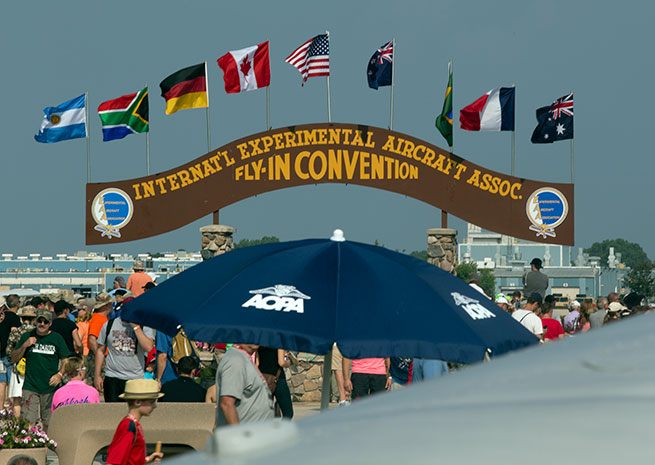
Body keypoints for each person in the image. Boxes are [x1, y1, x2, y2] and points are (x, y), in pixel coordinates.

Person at [11, 308, 70, 430]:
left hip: (49, 386)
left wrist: (59, 374)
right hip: (30, 385)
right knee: (28, 421)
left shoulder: (57, 338)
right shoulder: (28, 336)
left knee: (48, 422)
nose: (42, 324)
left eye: (45, 322)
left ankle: (46, 446)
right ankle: (28, 444)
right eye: (40, 321)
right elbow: (14, 358)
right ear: (35, 321)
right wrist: (25, 345)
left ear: (50, 324)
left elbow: (66, 360)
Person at [94, 312, 155, 402]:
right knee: (113, 412)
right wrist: (97, 375)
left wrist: (136, 327)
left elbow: (148, 347)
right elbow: (100, 350)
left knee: (134, 412)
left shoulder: (144, 325)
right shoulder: (109, 324)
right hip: (112, 377)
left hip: (135, 378)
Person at [106, 378, 164, 465]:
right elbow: (114, 461)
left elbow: (131, 458)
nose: (154, 406)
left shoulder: (132, 424)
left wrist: (148, 459)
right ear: (137, 402)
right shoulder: (129, 427)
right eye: (151, 402)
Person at [215, 343, 274, 426]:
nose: (256, 338)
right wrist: (239, 436)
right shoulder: (235, 360)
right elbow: (227, 404)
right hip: (245, 435)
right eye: (251, 333)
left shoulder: (241, 357)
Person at [6, 306, 37, 417]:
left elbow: (9, 352)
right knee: (33, 398)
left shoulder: (16, 332)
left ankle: (16, 426)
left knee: (17, 399)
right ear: (34, 319)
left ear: (22, 318)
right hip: (33, 367)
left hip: (18, 368)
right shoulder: (36, 332)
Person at [257, 346, 293, 418]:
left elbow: (257, 364)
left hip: (263, 378)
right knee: (288, 413)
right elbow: (281, 362)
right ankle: (281, 429)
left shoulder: (259, 341)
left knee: (265, 414)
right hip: (278, 378)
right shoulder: (278, 340)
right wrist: (288, 362)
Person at [0, 294, 21, 409]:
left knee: (1, 383)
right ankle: (12, 408)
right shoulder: (14, 318)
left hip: (0, 353)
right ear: (18, 304)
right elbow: (15, 334)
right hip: (9, 354)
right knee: (12, 384)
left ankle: (1, 409)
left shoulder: (2, 317)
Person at [87, 293, 113, 383]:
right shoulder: (98, 319)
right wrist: (99, 357)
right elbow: (92, 339)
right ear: (106, 306)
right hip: (98, 355)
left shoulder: (100, 318)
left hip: (100, 354)